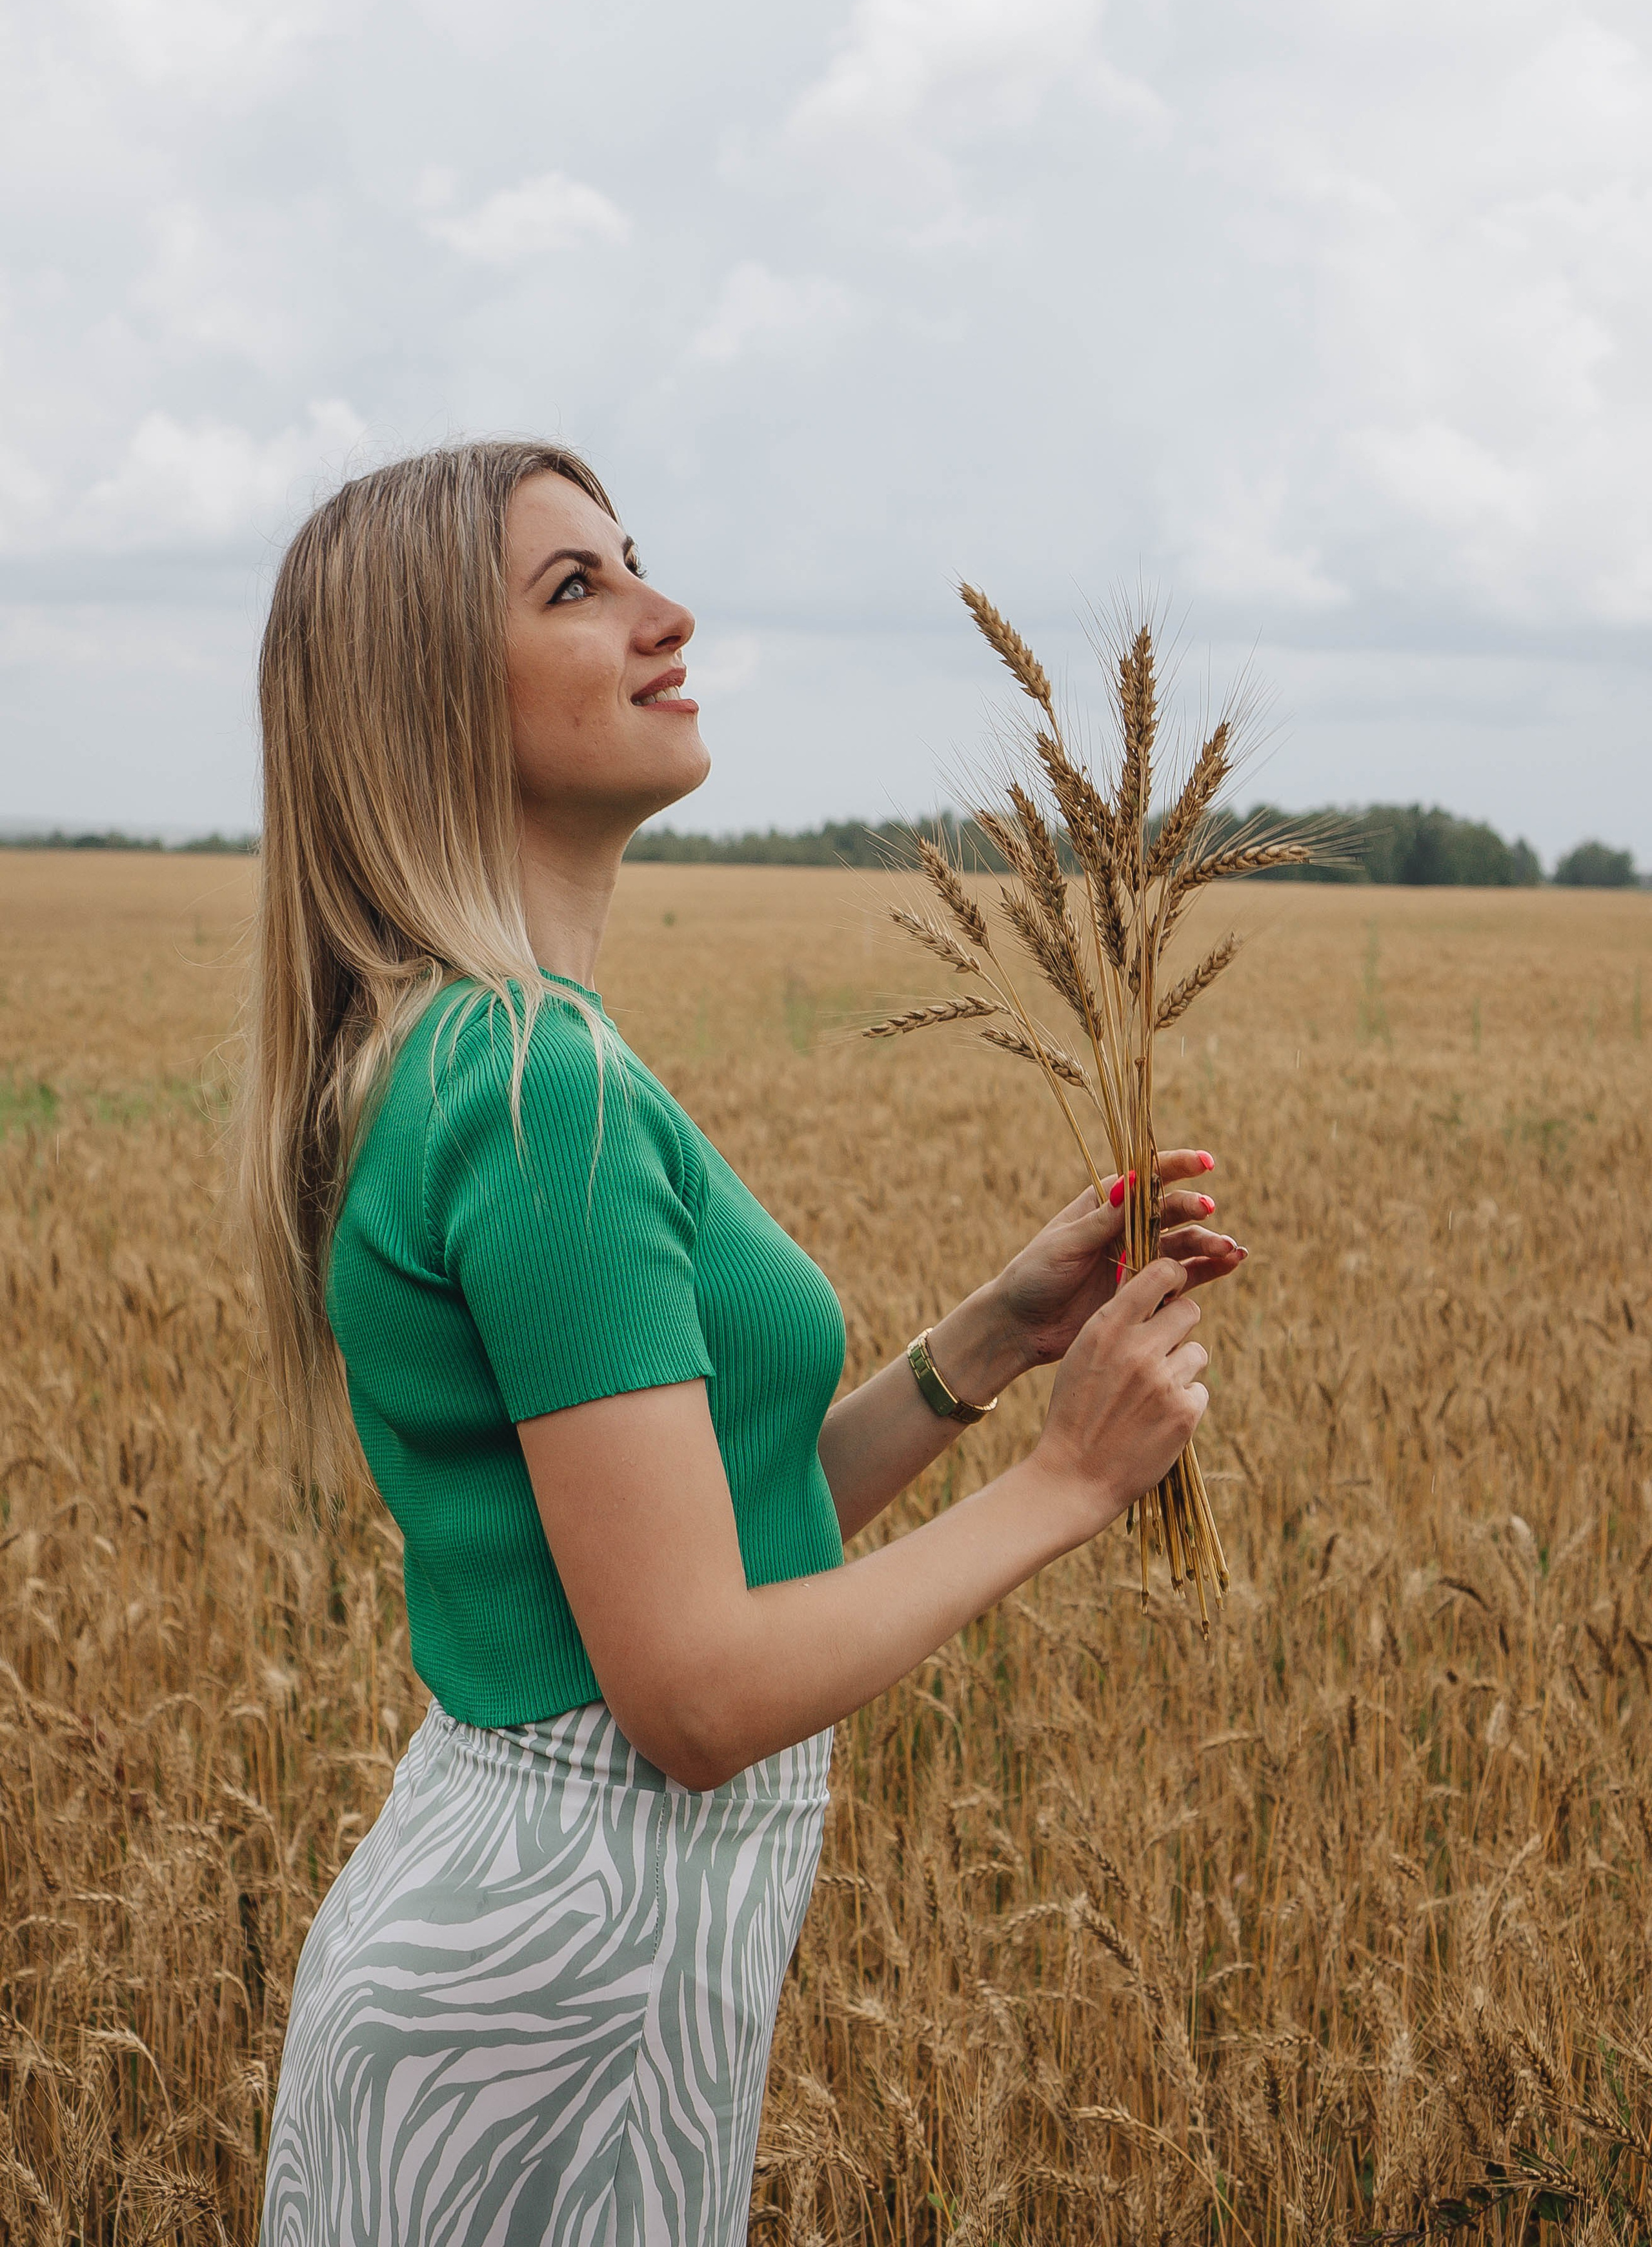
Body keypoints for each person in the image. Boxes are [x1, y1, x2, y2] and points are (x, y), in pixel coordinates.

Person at [242, 440, 1243, 2247]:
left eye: (636, 561)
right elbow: (696, 1694)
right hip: (545, 2000)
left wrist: (982, 1350)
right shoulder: (538, 1089)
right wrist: (1070, 1483)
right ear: (424, 701)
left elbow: (694, 1552)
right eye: (578, 587)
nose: (668, 612)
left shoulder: (483, 1054)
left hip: (561, 1962)